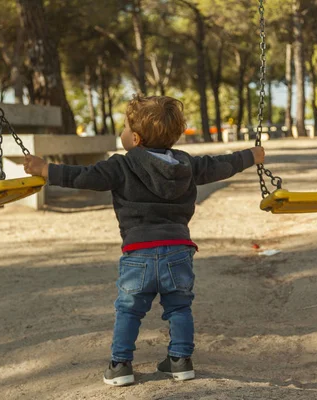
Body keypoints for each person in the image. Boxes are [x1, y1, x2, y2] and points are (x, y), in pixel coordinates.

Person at [23, 95, 264, 386]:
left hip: (139, 252)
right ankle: (180, 361)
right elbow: (220, 165)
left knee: (129, 309)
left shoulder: (120, 166)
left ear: (135, 138)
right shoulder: (185, 164)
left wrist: (44, 169)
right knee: (179, 307)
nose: (122, 133)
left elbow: (82, 176)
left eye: (124, 129)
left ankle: (121, 365)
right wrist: (252, 155)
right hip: (179, 250)